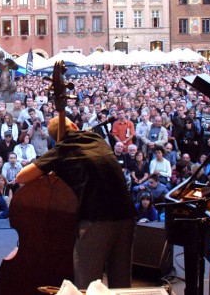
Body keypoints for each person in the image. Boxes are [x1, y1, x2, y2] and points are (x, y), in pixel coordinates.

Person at [16, 117, 137, 289]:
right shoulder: (97, 139)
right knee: (121, 283)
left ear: (55, 138)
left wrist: (54, 168)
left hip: (97, 219)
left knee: (88, 284)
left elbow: (21, 176)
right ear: (74, 125)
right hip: (127, 215)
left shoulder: (63, 148)